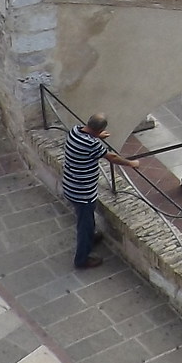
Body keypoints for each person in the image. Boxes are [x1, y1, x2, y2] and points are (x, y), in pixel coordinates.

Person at [61, 113, 115, 269]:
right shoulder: (92, 144)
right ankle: (82, 259)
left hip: (70, 185)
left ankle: (90, 238)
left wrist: (97, 135)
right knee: (84, 226)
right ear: (99, 131)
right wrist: (132, 163)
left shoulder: (75, 131)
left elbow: (89, 138)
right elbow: (111, 157)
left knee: (88, 219)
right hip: (82, 193)